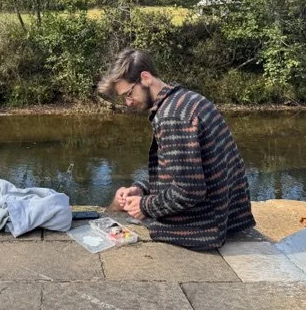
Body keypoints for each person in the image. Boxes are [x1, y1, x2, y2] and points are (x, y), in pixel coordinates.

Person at [99, 48, 255, 250]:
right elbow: (183, 174)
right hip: (229, 216)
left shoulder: (171, 117)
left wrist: (145, 205)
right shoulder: (188, 99)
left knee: (114, 219)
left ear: (145, 78)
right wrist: (142, 188)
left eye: (128, 94)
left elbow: (190, 190)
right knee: (125, 204)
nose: (128, 103)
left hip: (204, 227)